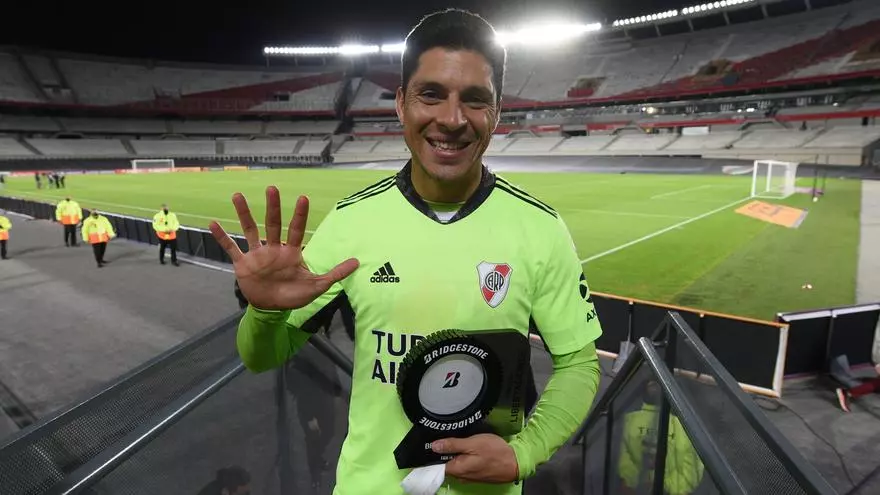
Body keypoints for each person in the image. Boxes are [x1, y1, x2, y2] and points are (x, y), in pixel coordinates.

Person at [210, 9, 602, 495]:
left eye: (475, 100)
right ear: (400, 103)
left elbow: (579, 363)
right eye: (431, 94)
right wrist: (264, 312)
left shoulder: (540, 229)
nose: (453, 119)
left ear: (497, 113)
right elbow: (260, 357)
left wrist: (525, 452)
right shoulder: (352, 222)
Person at [618, 381, 704, 495]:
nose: (655, 386)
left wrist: (661, 485)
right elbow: (692, 472)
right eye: (652, 384)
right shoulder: (684, 427)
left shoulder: (629, 421)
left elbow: (692, 472)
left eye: (658, 384)